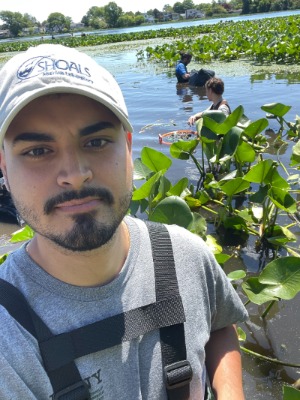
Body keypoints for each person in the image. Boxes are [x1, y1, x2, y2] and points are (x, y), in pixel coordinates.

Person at [0, 44, 248, 400]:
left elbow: (221, 325)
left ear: (129, 150)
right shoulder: (7, 338)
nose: (75, 174)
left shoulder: (187, 255)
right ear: (4, 168)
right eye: (38, 151)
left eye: (97, 141)